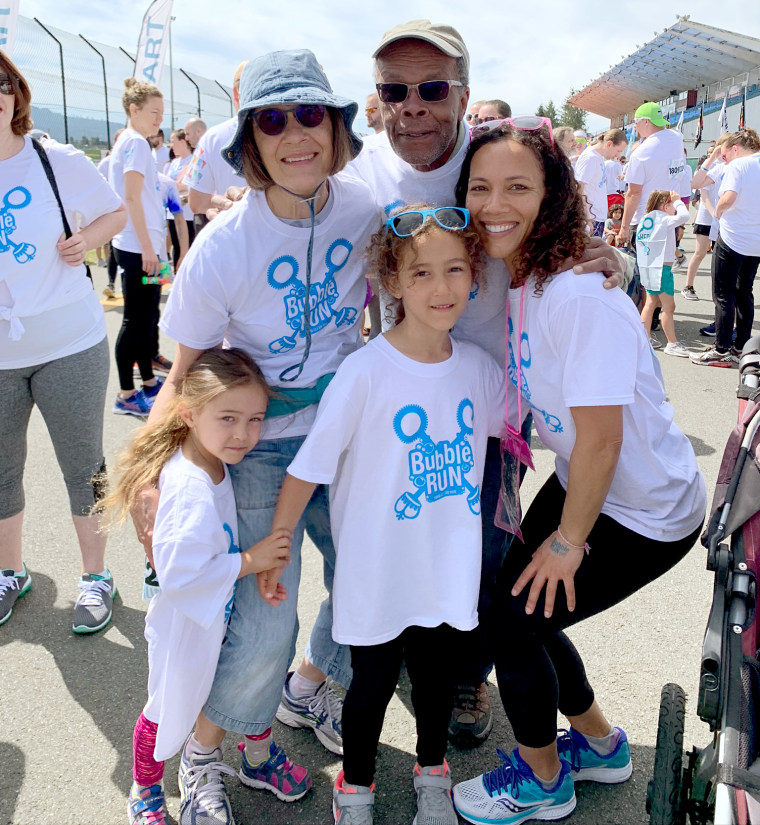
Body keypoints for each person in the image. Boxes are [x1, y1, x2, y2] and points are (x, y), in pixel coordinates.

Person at [348, 18, 626, 751]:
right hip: (404, 395)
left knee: (481, 550)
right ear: (376, 100)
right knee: (391, 531)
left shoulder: (485, 155)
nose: (413, 104)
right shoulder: (360, 172)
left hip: (495, 403)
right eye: (395, 90)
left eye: (432, 87)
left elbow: (549, 212)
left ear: (463, 96)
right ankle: (369, 655)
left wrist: (605, 258)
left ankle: (468, 671)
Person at [137, 49, 380, 823]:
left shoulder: (365, 211)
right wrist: (147, 476)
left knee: (370, 580)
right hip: (256, 446)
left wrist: (594, 256)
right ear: (250, 140)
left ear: (338, 129)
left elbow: (460, 258)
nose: (295, 135)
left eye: (311, 114)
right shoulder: (223, 245)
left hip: (341, 436)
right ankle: (207, 753)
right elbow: (183, 374)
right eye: (273, 119)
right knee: (263, 611)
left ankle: (307, 688)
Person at [450, 117, 706, 825]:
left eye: (517, 188)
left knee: (511, 623)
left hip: (644, 508)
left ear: (554, 194)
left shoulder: (576, 294)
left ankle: (543, 781)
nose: (495, 204)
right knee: (517, 606)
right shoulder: (531, 273)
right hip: (592, 478)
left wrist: (567, 543)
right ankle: (598, 743)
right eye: (481, 188)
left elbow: (601, 439)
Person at [270, 204, 502, 825]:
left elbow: (545, 408)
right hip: (376, 569)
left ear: (474, 275)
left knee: (434, 677)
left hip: (446, 567)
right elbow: (309, 466)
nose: (441, 286)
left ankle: (432, 770)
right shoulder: (365, 371)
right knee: (369, 685)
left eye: (455, 269)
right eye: (421, 273)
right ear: (392, 283)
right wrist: (280, 541)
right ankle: (358, 783)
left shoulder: (481, 370)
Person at [100, 348, 291, 825]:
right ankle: (144, 789)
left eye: (255, 419)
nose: (244, 434)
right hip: (182, 629)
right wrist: (251, 560)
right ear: (189, 414)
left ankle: (255, 751)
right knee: (167, 708)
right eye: (228, 418)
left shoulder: (211, 461)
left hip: (209, 617)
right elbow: (180, 575)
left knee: (235, 675)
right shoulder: (188, 488)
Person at [0, 50, 126, 631]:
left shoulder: (55, 160)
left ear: (16, 94)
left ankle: (97, 577)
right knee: (2, 470)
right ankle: (10, 572)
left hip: (69, 342)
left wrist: (85, 239)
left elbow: (115, 213)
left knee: (85, 465)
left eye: (1, 83)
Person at [108, 78, 166, 417]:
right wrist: (147, 249)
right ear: (134, 109)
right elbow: (131, 197)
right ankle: (126, 395)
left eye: (162, 112)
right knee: (134, 320)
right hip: (137, 249)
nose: (159, 118)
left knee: (146, 317)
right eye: (154, 112)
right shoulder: (136, 144)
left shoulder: (136, 143)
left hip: (148, 248)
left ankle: (147, 382)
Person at [690, 128, 760, 367]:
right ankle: (741, 346)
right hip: (756, 241)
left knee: (723, 293)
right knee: (744, 292)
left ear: (735, 149)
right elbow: (696, 182)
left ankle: (721, 351)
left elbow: (728, 197)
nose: (724, 158)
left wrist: (717, 211)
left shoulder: (738, 166)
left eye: (725, 153)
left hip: (733, 238)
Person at [187, 64, 248, 227]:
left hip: (232, 231)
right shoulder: (289, 133)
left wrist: (227, 204)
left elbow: (196, 202)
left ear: (235, 94)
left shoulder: (210, 138)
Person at [617, 102, 685, 248]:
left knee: (643, 270)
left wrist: (624, 228)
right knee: (665, 267)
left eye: (636, 122)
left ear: (646, 121)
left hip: (646, 222)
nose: (634, 126)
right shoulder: (677, 138)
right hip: (670, 216)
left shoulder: (640, 154)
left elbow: (633, 193)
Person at [636, 190, 691, 357]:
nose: (674, 208)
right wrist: (679, 201)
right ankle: (672, 343)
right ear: (665, 205)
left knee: (651, 303)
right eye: (672, 205)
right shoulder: (663, 219)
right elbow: (684, 216)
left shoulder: (647, 219)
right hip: (662, 269)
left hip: (649, 268)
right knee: (669, 307)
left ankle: (645, 337)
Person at [573, 128, 627, 236]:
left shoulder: (599, 158)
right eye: (618, 151)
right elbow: (579, 190)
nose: (618, 155)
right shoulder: (590, 158)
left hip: (597, 217)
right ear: (609, 144)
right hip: (592, 219)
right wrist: (587, 219)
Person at [164, 129, 196, 268]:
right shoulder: (174, 163)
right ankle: (177, 281)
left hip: (188, 214)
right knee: (176, 247)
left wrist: (174, 187)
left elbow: (188, 185)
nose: (172, 146)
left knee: (188, 248)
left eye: (173, 142)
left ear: (183, 142)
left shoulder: (193, 161)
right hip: (172, 213)